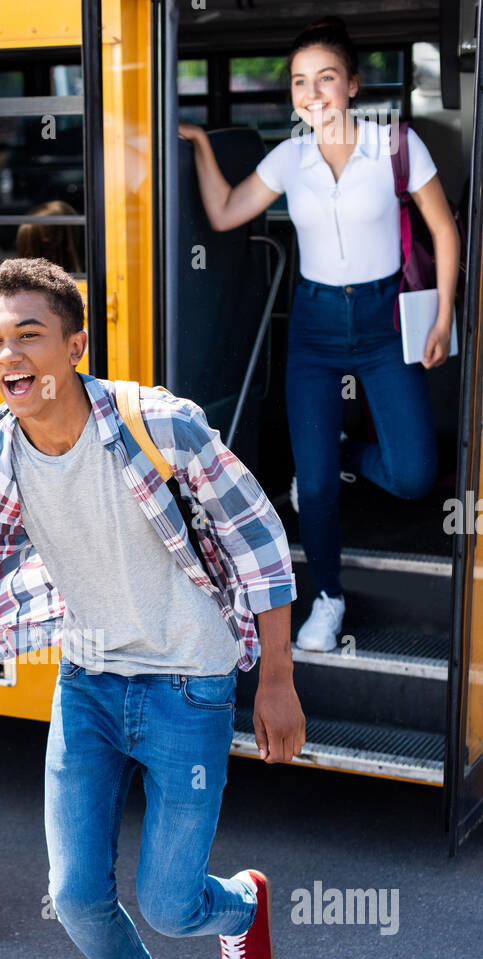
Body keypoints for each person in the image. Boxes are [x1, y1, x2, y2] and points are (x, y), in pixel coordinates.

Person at [0, 256, 305, 959]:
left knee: (171, 902)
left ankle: (237, 907)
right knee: (75, 895)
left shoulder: (156, 426)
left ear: (75, 345)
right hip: (88, 684)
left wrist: (274, 676)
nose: (7, 356)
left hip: (190, 684)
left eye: (29, 335)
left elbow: (260, 541)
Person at [180, 15, 461, 651]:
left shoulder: (396, 146)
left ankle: (332, 457)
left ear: (353, 86)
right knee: (317, 487)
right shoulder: (289, 158)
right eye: (300, 82)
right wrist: (199, 142)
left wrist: (443, 316)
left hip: (385, 322)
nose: (312, 94)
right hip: (314, 324)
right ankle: (328, 599)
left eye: (326, 79)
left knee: (415, 473)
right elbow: (225, 213)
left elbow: (445, 230)